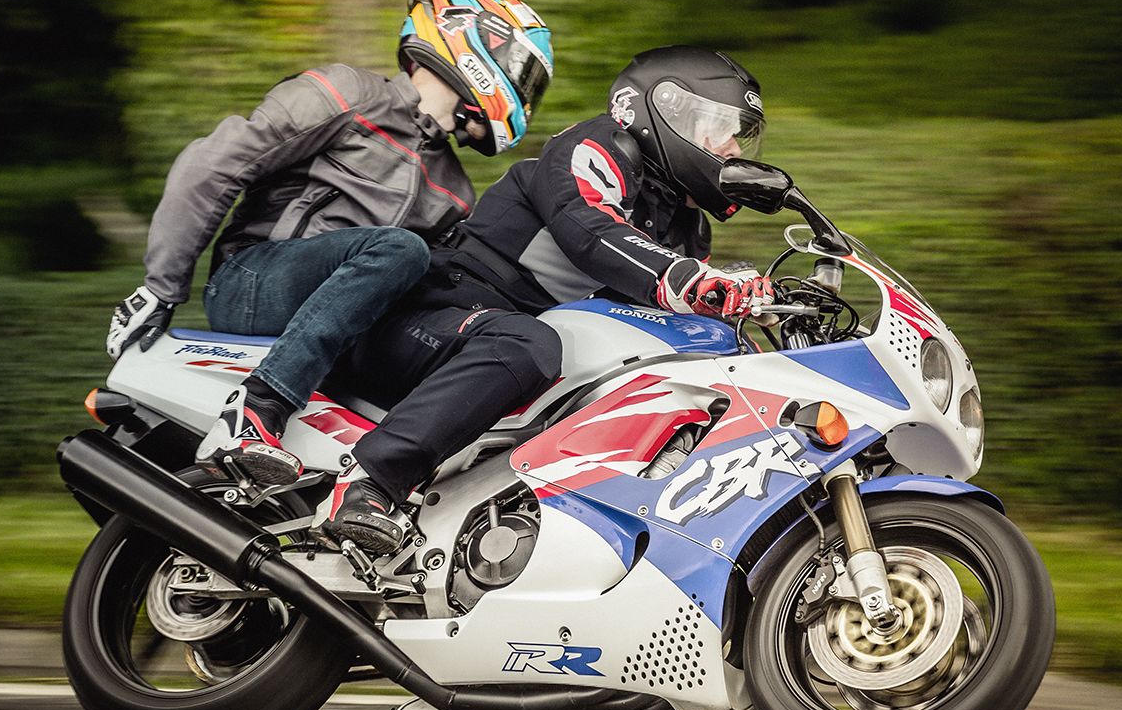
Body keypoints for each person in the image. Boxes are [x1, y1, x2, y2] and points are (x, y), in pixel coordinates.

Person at [314, 46, 776, 554]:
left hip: (496, 360)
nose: (733, 146)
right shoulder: (597, 149)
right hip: (427, 320)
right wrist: (685, 277)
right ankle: (368, 483)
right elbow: (591, 230)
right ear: (668, 114)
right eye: (719, 125)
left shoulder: (687, 229)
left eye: (739, 132)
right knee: (528, 342)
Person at [106, 0, 555, 485]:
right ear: (470, 39)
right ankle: (254, 412)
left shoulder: (455, 191)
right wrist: (161, 286)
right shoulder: (348, 93)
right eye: (523, 70)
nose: (524, 89)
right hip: (253, 281)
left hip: (347, 323)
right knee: (399, 248)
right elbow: (211, 166)